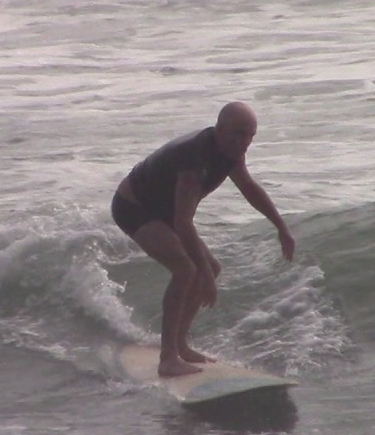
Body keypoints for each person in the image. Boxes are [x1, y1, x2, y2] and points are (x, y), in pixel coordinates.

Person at [111, 101, 295, 377]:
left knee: (211, 267)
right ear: (220, 130)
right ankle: (168, 358)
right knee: (186, 270)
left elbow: (248, 186)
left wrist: (281, 227)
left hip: (164, 211)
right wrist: (205, 274)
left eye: (250, 136)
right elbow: (183, 222)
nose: (245, 142)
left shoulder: (231, 150)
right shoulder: (193, 160)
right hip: (134, 207)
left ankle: (180, 345)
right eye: (239, 134)